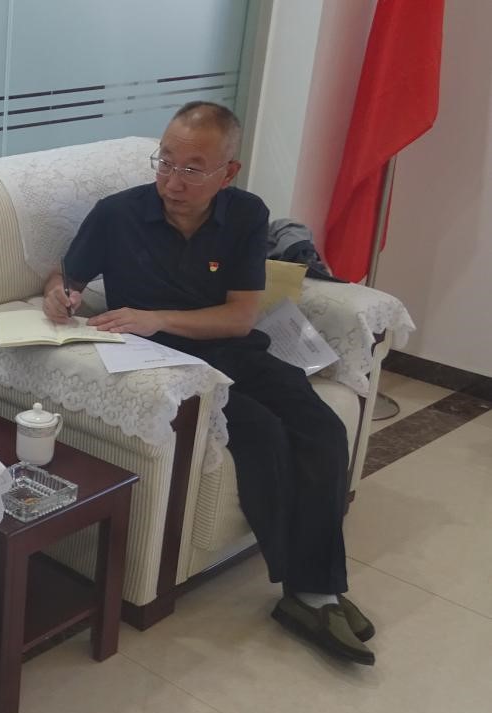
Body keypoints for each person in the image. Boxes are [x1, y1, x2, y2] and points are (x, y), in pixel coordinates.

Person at [42, 102, 376, 666]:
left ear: (228, 172)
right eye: (165, 162)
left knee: (321, 427)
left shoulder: (245, 214)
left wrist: (156, 315)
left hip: (230, 347)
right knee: (262, 433)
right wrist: (59, 294)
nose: (173, 182)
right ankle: (311, 594)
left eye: (193, 169)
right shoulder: (117, 214)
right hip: (167, 364)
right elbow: (66, 275)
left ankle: (315, 591)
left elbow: (240, 317)